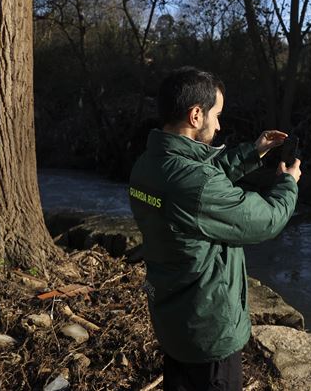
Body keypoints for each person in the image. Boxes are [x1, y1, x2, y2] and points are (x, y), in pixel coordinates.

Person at [128, 66, 301, 391]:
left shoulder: (147, 165)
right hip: (208, 329)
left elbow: (195, 182)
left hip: (170, 317)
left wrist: (253, 152)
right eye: (216, 115)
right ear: (196, 115)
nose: (219, 125)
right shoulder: (195, 184)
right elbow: (266, 219)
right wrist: (287, 184)